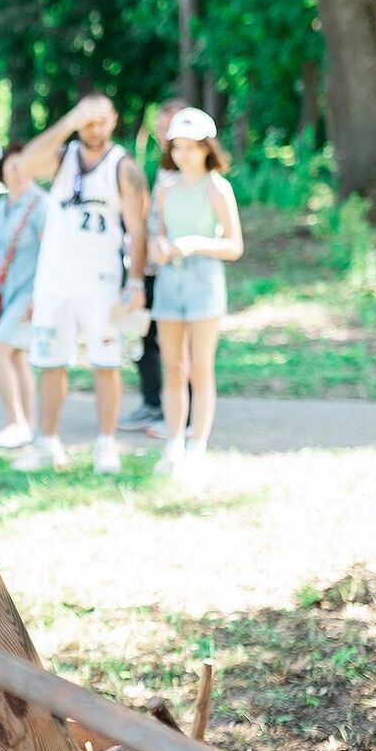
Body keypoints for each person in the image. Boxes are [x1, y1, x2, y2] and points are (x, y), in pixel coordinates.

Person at [8, 93, 149, 474]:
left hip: (101, 284)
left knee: (106, 364)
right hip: (55, 282)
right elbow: (25, 164)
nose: (94, 126)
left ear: (114, 120)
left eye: (101, 119)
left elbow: (138, 230)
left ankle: (106, 445)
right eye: (87, 120)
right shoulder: (62, 157)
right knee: (51, 363)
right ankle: (47, 443)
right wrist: (70, 120)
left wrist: (135, 281)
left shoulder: (124, 167)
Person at [149, 108, 243, 480]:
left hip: (204, 282)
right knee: (173, 366)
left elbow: (235, 245)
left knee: (200, 367)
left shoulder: (217, 187)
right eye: (177, 147)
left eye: (191, 147)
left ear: (206, 148)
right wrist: (159, 245)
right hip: (170, 283)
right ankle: (172, 444)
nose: (183, 154)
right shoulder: (165, 186)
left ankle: (197, 446)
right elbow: (157, 227)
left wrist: (196, 244)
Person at [120, 97, 190, 436]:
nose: (164, 135)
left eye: (171, 128)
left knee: (176, 346)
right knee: (140, 336)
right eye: (161, 129)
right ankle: (152, 404)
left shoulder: (192, 174)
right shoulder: (157, 169)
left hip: (176, 271)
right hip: (147, 268)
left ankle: (184, 417)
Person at [0, 142, 47, 448]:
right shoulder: (1, 206)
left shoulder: (40, 205)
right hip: (6, 293)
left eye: (24, 166)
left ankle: (15, 422)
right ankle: (28, 424)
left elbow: (52, 253)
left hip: (31, 292)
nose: (19, 173)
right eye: (12, 166)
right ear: (3, 170)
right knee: (17, 356)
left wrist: (40, 297)